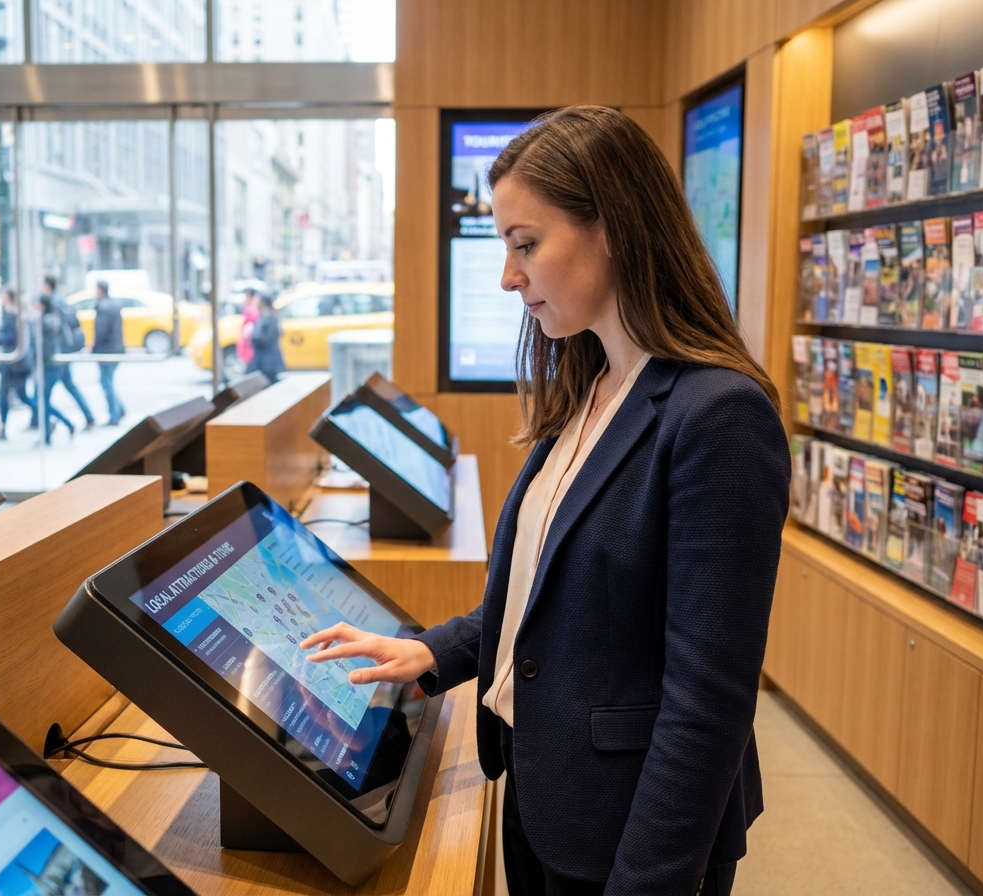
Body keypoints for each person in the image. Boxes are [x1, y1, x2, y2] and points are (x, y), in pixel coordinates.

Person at [299, 107, 790, 896]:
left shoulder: (719, 416)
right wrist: (438, 652)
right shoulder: (593, 383)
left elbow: (709, 701)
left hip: (633, 835)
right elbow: (554, 597)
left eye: (526, 244)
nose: (508, 275)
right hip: (543, 790)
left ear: (615, 229)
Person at [42, 275, 95, 430]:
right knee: (67, 385)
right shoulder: (60, 299)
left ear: (47, 285)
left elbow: (56, 329)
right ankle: (88, 416)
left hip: (59, 353)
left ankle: (53, 422)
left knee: (43, 394)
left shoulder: (54, 302)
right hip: (62, 352)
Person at [0, 285, 35, 438]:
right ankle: (47, 417)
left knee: (7, 396)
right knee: (20, 395)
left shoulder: (12, 314)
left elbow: (11, 338)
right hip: (17, 363)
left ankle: (3, 428)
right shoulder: (14, 313)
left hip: (14, 364)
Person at [35, 293, 75, 443]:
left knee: (41, 401)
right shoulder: (53, 319)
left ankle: (61, 426)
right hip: (52, 365)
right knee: (42, 401)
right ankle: (59, 427)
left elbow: (43, 348)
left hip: (48, 366)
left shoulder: (45, 322)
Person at [91, 280, 126, 426]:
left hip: (107, 351)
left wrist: (96, 352)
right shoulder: (113, 304)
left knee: (106, 382)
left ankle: (115, 413)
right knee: (108, 381)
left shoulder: (104, 307)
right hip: (115, 349)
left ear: (100, 290)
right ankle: (119, 409)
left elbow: (101, 331)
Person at [246, 293, 284, 383]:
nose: (254, 303)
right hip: (267, 360)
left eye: (256, 300)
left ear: (261, 303)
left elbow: (265, 338)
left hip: (267, 362)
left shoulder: (268, 318)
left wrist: (251, 333)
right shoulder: (267, 316)